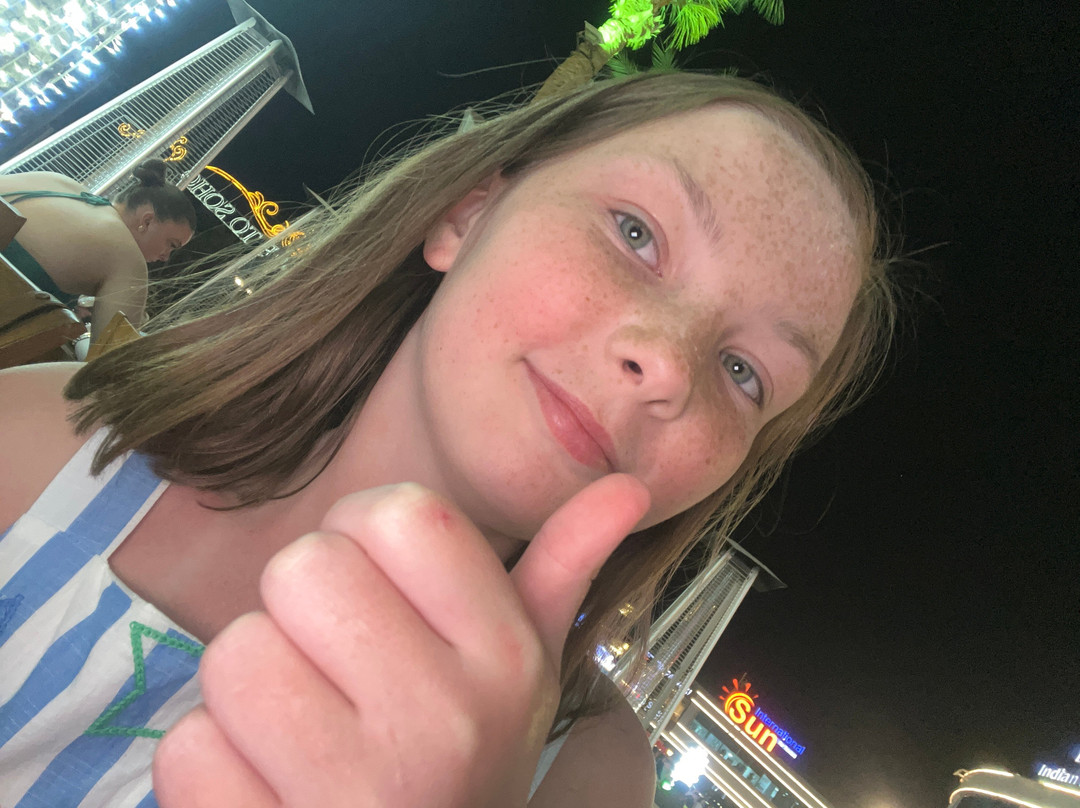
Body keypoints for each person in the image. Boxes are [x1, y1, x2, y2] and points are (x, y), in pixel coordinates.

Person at [0, 72, 895, 807]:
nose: (667, 364)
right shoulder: (41, 443)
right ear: (466, 215)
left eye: (744, 373)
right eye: (635, 233)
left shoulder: (587, 778)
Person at [0, 159, 196, 345]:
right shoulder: (129, 261)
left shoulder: (60, 181)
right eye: (171, 244)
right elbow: (107, 359)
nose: (165, 257)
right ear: (147, 221)